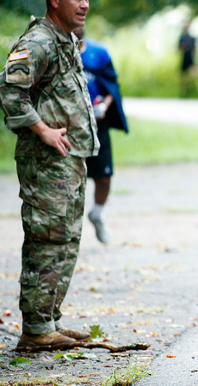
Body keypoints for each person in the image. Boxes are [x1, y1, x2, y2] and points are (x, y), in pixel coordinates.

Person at [0, 0, 100, 349]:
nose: (85, 5)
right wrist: (43, 130)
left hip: (68, 161)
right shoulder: (39, 41)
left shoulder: (64, 39)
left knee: (67, 239)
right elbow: (8, 89)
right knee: (47, 239)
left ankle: (49, 321)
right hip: (46, 161)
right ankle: (36, 329)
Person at [74, 27, 129, 244]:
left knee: (103, 178)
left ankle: (96, 214)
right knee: (71, 179)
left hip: (99, 126)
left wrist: (104, 106)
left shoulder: (99, 52)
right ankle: (69, 230)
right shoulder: (55, 52)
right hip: (70, 129)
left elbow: (112, 85)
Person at [178, 24, 197, 97]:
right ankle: (184, 91)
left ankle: (192, 89)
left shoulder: (192, 38)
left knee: (192, 75)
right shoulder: (182, 38)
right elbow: (179, 48)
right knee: (183, 76)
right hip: (184, 58)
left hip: (190, 58)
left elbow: (194, 49)